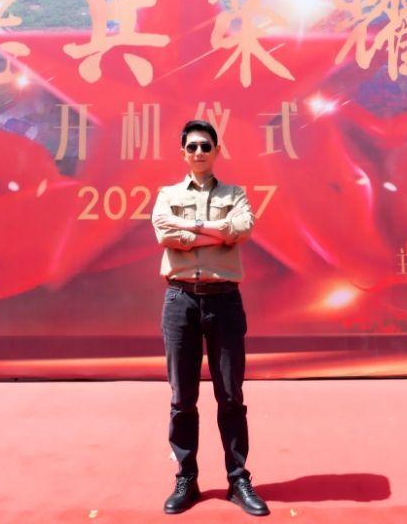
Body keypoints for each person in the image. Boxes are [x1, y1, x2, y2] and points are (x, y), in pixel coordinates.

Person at [151, 120, 270, 516]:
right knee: (182, 397)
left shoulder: (236, 194)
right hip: (180, 300)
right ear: (183, 153)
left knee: (231, 396)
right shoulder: (167, 195)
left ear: (217, 151)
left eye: (206, 146)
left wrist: (192, 228)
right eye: (192, 147)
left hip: (224, 301)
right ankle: (186, 477)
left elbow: (242, 228)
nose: (199, 152)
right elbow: (164, 234)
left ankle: (238, 479)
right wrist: (218, 232)